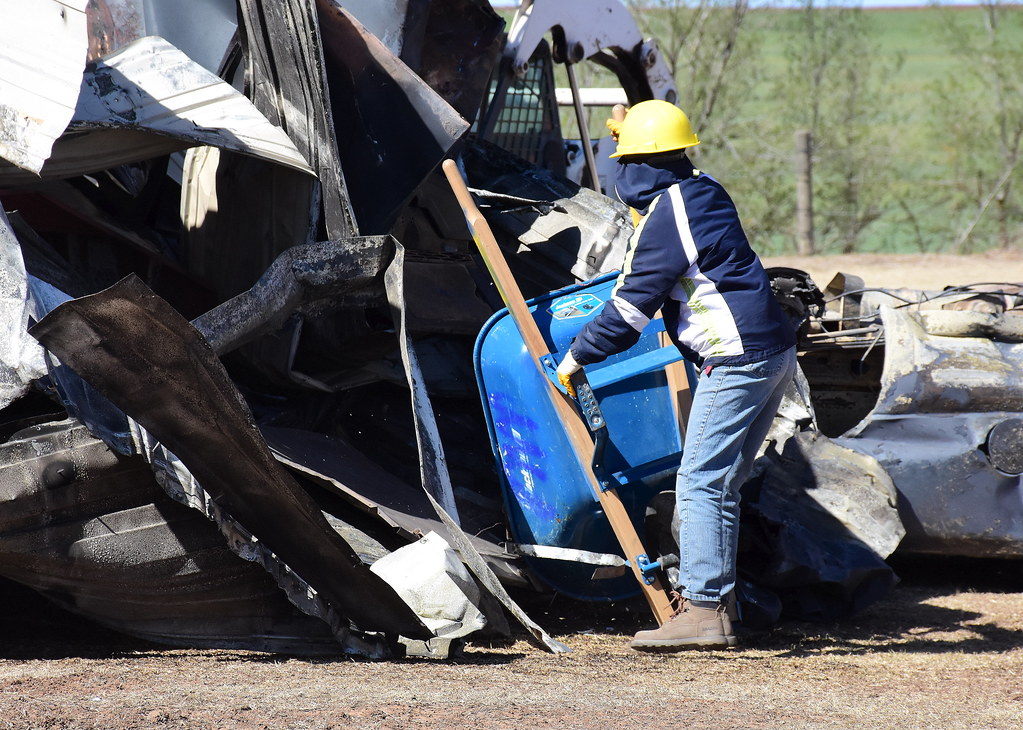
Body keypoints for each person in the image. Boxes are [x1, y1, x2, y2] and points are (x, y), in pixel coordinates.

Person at [556, 100, 797, 651]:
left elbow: (631, 307)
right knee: (723, 482)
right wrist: (633, 124)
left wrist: (577, 355)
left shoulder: (669, 213)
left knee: (699, 482)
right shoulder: (702, 188)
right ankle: (723, 604)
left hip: (737, 358)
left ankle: (705, 611)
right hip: (770, 352)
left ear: (635, 165)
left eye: (624, 159)